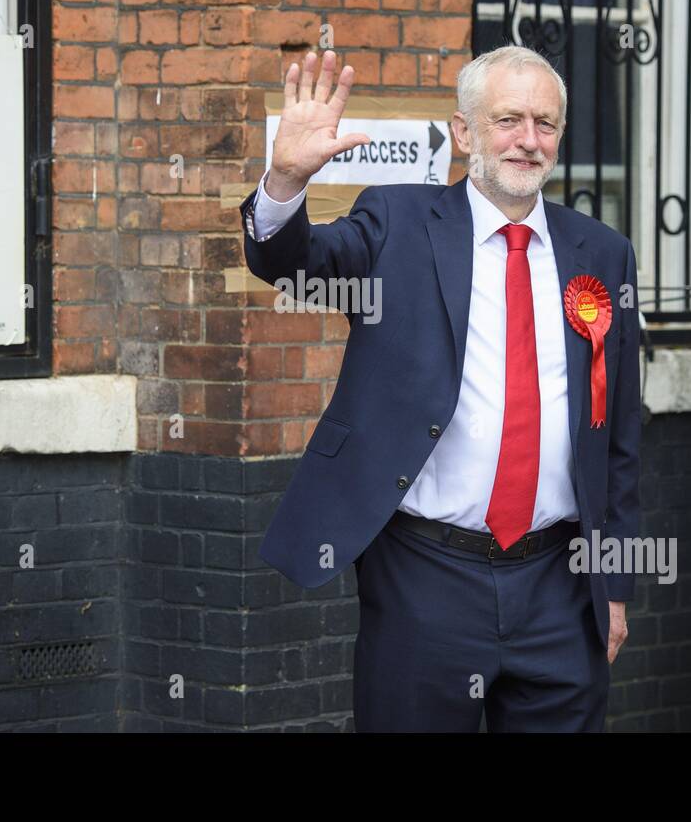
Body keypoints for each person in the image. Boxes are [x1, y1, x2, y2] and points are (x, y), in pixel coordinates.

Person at [239, 44, 641, 732]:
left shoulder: (602, 252)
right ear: (463, 133)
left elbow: (622, 437)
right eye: (508, 119)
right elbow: (295, 264)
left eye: (545, 123)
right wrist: (283, 184)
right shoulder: (396, 222)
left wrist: (616, 587)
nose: (528, 140)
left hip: (560, 583)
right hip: (425, 576)